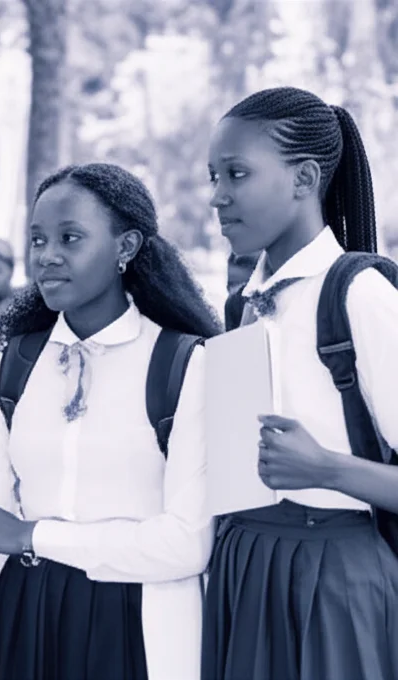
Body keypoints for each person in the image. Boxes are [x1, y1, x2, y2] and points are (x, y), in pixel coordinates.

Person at [0, 163, 222, 680]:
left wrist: (31, 536)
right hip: (25, 621)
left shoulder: (187, 365)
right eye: (37, 239)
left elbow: (187, 545)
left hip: (144, 628)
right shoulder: (7, 370)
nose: (47, 256)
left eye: (70, 238)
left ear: (126, 247)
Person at [203, 86, 398, 680]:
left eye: (236, 174)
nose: (218, 197)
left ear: (305, 177)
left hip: (335, 577)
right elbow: (236, 473)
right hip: (245, 568)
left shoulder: (362, 295)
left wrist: (326, 469)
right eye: (213, 176)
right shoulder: (246, 303)